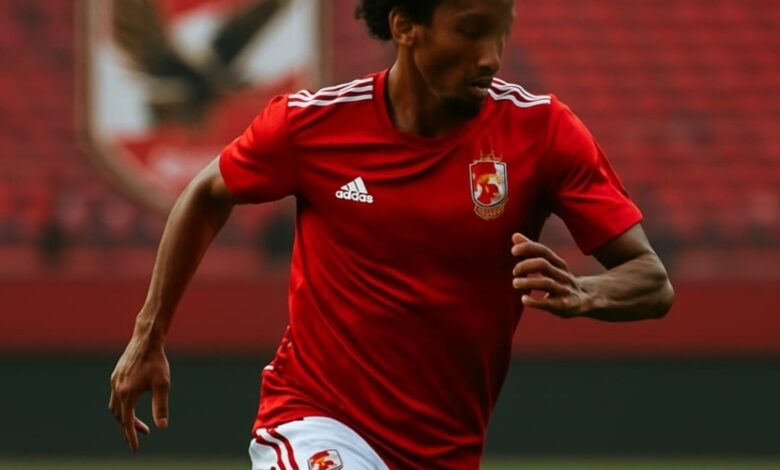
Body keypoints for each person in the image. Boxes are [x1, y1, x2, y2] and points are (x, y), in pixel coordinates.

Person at [108, 0, 675, 468]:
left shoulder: (543, 133)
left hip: (446, 450)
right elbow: (207, 193)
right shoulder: (314, 125)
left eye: (501, 33)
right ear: (405, 26)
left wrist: (585, 292)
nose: (491, 56)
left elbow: (650, 279)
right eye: (471, 32)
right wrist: (148, 333)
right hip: (316, 421)